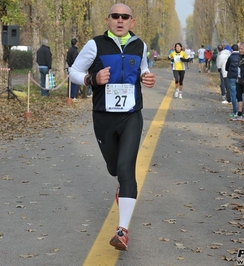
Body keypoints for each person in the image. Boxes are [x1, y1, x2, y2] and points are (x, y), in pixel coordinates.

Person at [69, 3, 156, 251]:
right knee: (114, 168)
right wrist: (90, 79)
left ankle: (122, 231)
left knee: (127, 168)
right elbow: (74, 71)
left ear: (132, 22)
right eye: (115, 16)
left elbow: (143, 69)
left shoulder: (140, 45)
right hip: (103, 117)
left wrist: (147, 76)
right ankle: (121, 185)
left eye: (125, 17)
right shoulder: (95, 44)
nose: (120, 20)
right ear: (108, 20)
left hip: (131, 116)